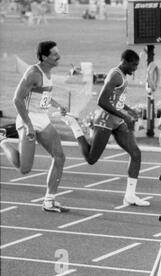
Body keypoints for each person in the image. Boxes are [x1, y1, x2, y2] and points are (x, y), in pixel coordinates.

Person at [62, 49, 150, 207]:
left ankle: (130, 196)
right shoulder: (115, 75)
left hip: (116, 120)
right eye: (134, 65)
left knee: (136, 153)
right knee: (91, 159)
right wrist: (124, 116)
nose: (135, 69)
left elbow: (115, 100)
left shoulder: (122, 75)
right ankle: (74, 125)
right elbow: (102, 101)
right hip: (105, 120)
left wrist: (128, 110)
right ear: (125, 62)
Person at [0, 41, 69, 212]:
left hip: (43, 119)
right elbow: (17, 99)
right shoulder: (33, 73)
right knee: (24, 169)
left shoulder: (48, 71)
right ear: (44, 57)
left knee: (59, 157)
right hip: (27, 120)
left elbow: (43, 94)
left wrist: (58, 105)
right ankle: (2, 140)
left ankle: (49, 201)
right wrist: (29, 125)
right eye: (54, 54)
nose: (58, 56)